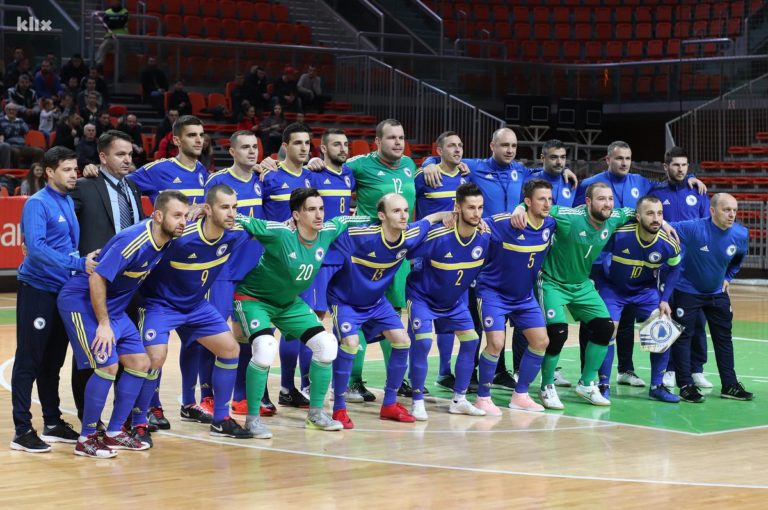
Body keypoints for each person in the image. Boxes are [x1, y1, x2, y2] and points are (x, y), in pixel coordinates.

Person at [422, 128, 579, 392]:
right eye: (504, 145)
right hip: (483, 246)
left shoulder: (520, 170)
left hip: (514, 248)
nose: (509, 150)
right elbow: (447, 159)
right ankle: (467, 370)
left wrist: (562, 172)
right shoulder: (474, 166)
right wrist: (428, 163)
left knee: (515, 313)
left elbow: (542, 178)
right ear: (491, 145)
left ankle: (502, 369)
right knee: (479, 313)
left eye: (514, 146)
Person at [57, 190, 188, 456]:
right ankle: (87, 438)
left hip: (113, 308)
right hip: (82, 304)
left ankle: (116, 431)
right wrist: (104, 324)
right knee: (108, 365)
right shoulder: (134, 240)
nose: (182, 221)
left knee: (141, 363)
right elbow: (97, 279)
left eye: (185, 215)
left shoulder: (167, 238)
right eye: (177, 215)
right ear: (158, 215)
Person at [234, 188, 370, 436]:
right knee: (265, 348)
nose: (319, 214)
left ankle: (316, 414)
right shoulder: (280, 233)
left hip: (288, 303)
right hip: (254, 299)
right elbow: (241, 219)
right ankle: (252, 420)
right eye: (311, 209)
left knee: (327, 344)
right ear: (296, 215)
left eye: (320, 208)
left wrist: (388, 215)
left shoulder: (326, 232)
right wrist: (202, 208)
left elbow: (347, 219)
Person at [572, 141, 706, 389]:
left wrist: (691, 178)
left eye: (628, 158)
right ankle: (591, 376)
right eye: (619, 158)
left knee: (643, 324)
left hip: (636, 265)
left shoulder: (641, 183)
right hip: (602, 266)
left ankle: (629, 371)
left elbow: (664, 189)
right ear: (608, 159)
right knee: (599, 326)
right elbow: (579, 219)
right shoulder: (590, 185)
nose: (624, 162)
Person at [131, 185, 253, 440]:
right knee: (155, 357)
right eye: (225, 207)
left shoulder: (236, 233)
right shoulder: (181, 236)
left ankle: (220, 419)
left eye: (235, 207)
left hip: (196, 306)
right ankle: (139, 421)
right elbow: (148, 235)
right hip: (159, 304)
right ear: (207, 210)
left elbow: (265, 227)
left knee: (230, 349)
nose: (232, 214)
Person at [510, 182, 637, 408]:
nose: (607, 203)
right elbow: (543, 208)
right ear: (588, 202)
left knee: (605, 327)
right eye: (601, 199)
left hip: (581, 285)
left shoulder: (614, 217)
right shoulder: (570, 216)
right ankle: (547, 386)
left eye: (610, 199)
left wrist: (663, 223)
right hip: (551, 282)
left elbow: (632, 211)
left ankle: (587, 384)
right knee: (557, 332)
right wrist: (520, 207)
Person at [329, 194, 451, 428]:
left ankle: (390, 404)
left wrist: (446, 215)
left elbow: (429, 219)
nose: (404, 215)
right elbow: (328, 234)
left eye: (406, 210)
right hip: (345, 300)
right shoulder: (362, 236)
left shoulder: (409, 234)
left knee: (402, 340)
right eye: (397, 211)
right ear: (382, 216)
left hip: (376, 301)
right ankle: (338, 408)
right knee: (351, 344)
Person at [10, 147, 99, 453]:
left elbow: (66, 246)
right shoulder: (38, 204)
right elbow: (35, 248)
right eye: (68, 169)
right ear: (49, 172)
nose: (74, 174)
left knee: (52, 362)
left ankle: (52, 422)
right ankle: (22, 430)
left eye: (76, 169)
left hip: (62, 292)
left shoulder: (66, 201)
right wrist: (78, 265)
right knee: (28, 361)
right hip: (38, 289)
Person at [69, 130, 147, 424]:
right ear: (102, 157)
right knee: (93, 356)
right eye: (120, 154)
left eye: (129, 154)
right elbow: (63, 222)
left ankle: (122, 418)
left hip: (129, 285)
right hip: (97, 283)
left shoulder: (133, 189)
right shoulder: (86, 185)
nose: (128, 160)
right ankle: (88, 418)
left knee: (128, 355)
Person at [473, 179, 557, 415]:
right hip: (493, 293)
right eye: (541, 199)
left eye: (550, 199)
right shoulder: (504, 222)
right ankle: (483, 397)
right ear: (528, 201)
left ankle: (520, 395)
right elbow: (476, 222)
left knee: (541, 341)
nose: (547, 204)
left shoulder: (550, 224)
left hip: (523, 297)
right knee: (496, 344)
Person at [405, 182, 487, 418]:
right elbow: (407, 247)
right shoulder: (438, 235)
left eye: (480, 208)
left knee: (471, 341)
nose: (477, 213)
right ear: (457, 208)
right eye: (471, 207)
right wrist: (434, 217)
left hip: (452, 302)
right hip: (422, 297)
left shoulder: (484, 236)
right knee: (422, 342)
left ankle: (459, 399)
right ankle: (417, 400)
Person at [204, 131, 267, 416]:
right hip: (223, 269)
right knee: (214, 331)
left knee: (247, 333)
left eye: (255, 147)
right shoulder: (218, 181)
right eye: (245, 147)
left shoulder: (261, 180)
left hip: (254, 270)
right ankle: (207, 394)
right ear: (231, 151)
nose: (252, 152)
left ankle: (243, 394)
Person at [669, 193, 753, 403]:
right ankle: (686, 385)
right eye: (726, 210)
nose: (732, 214)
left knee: (724, 338)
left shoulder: (741, 234)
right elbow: (663, 225)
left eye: (734, 210)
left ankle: (730, 385)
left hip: (717, 294)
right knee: (683, 338)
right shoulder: (693, 228)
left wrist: (728, 277)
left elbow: (738, 259)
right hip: (687, 291)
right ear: (712, 210)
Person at [597, 196, 682, 402]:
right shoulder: (619, 234)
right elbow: (597, 260)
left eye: (660, 214)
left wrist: (664, 299)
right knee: (608, 329)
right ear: (638, 216)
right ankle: (602, 384)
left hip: (644, 291)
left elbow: (675, 268)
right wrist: (599, 288)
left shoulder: (668, 243)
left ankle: (657, 386)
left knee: (662, 327)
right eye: (650, 213)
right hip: (613, 289)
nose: (656, 218)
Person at [511, 139, 575, 385]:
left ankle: (552, 366)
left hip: (558, 258)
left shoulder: (572, 182)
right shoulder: (531, 179)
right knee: (527, 311)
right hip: (531, 253)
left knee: (549, 315)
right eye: (553, 157)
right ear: (542, 157)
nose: (558, 161)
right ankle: (518, 367)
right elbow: (523, 202)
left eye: (562, 157)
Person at [261, 123, 315, 407]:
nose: (304, 148)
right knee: (265, 332)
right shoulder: (268, 177)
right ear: (285, 145)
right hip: (272, 266)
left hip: (302, 266)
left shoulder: (311, 177)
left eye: (307, 143)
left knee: (294, 329)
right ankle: (260, 392)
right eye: (297, 143)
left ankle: (287, 388)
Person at [649, 147, 712, 389]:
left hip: (693, 269)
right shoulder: (655, 193)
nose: (681, 169)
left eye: (685, 165)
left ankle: (696, 368)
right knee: (665, 317)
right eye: (676, 165)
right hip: (664, 267)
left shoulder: (699, 192)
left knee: (697, 321)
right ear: (666, 167)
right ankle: (666, 370)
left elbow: (707, 227)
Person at [412, 131, 468, 391]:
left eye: (460, 145)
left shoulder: (467, 178)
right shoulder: (426, 176)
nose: (457, 150)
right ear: (439, 150)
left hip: (457, 260)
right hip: (427, 258)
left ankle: (444, 372)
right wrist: (427, 164)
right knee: (421, 324)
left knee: (449, 319)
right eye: (452, 146)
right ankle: (416, 379)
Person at [0, 103, 44, 167]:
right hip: (10, 146)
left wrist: (12, 124)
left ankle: (33, 169)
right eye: (9, 110)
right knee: (16, 152)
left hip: (22, 145)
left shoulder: (20, 120)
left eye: (14, 110)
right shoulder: (1, 120)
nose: (11, 111)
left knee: (39, 151)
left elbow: (26, 130)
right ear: (5, 111)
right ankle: (17, 170)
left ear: (16, 112)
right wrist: (14, 126)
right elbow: (4, 133)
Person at [95, 1, 129, 66]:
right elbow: (104, 25)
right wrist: (116, 22)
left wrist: (111, 23)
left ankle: (120, 73)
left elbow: (121, 23)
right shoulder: (107, 12)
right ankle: (98, 67)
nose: (115, 2)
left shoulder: (125, 12)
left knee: (121, 53)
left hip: (120, 38)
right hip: (109, 37)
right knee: (102, 47)